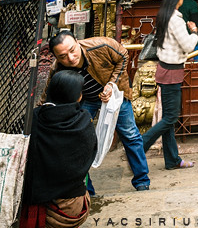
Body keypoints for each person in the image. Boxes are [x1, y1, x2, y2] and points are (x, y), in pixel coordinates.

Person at [47, 30, 150, 192]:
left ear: (77, 41)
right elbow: (49, 93)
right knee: (80, 141)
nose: (70, 58)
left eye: (72, 50)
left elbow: (123, 55)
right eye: (62, 56)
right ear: (56, 57)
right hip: (87, 100)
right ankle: (86, 189)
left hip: (116, 95)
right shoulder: (57, 69)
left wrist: (111, 84)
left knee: (130, 135)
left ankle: (142, 180)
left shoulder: (101, 45)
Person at [20, 70, 97, 228]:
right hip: (69, 204)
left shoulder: (32, 118)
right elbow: (90, 155)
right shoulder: (83, 121)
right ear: (77, 95)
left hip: (33, 200)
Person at [142, 0, 198, 169]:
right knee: (170, 118)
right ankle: (139, 146)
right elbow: (188, 46)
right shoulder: (176, 20)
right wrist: (195, 32)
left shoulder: (163, 16)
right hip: (172, 72)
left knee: (168, 118)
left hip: (165, 70)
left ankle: (172, 160)